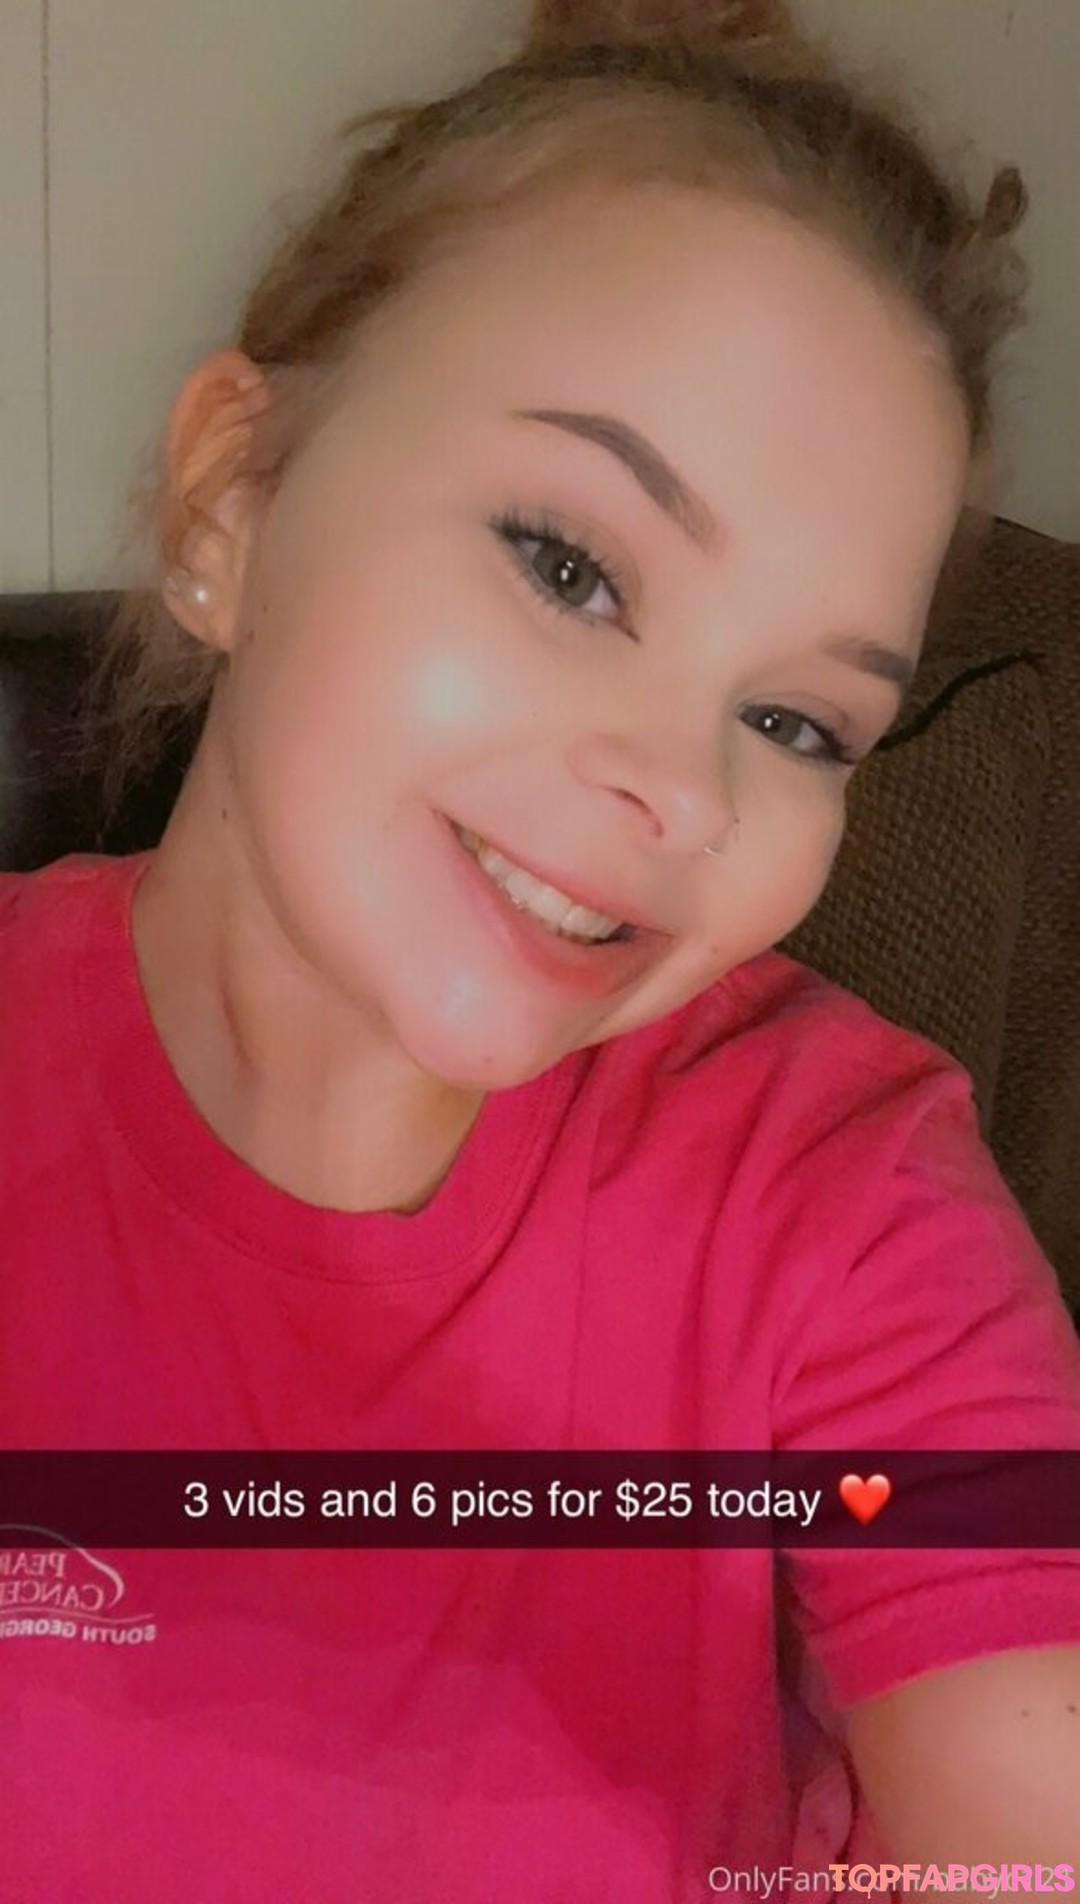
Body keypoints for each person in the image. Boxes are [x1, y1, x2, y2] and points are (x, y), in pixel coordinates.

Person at [2, 0, 1079, 1895]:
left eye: (798, 721)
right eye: (571, 566)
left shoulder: (847, 1199)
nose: (685, 786)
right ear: (232, 495)